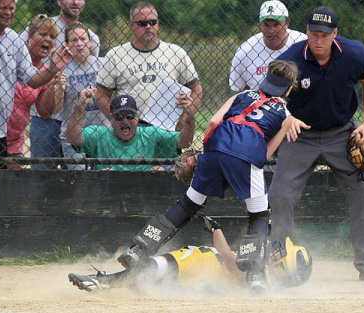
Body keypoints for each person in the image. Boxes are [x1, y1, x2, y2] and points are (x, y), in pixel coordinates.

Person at [115, 60, 299, 292]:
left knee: (189, 204)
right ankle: (255, 276)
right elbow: (265, 153)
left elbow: (213, 121)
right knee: (259, 214)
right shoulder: (285, 113)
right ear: (290, 89)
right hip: (248, 152)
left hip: (215, 144)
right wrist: (281, 130)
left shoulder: (243, 95)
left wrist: (206, 153)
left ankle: (138, 249)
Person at [268, 6, 364, 283]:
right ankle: (283, 264)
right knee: (280, 196)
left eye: (325, 34)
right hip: (299, 136)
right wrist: (288, 119)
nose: (318, 40)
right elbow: (270, 99)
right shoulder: (290, 60)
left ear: (335, 34)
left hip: (341, 133)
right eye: (314, 33)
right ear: (307, 32)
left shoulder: (354, 54)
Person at [68, 214, 313, 293]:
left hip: (202, 262)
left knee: (155, 266)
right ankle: (108, 282)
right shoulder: (268, 284)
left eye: (280, 255)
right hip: (204, 273)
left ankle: (104, 281)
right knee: (152, 276)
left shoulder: (260, 275)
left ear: (283, 266)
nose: (275, 253)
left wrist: (217, 230)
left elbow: (231, 261)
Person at [0, 0, 72, 163]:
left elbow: (32, 80)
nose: (8, 12)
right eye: (3, 8)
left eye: (11, 8)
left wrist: (52, 70)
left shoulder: (14, 40)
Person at [20, 0, 100, 170]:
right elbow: (20, 58)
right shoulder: (42, 27)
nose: (75, 2)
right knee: (42, 174)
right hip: (46, 117)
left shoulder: (92, 38)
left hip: (76, 119)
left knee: (75, 177)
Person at [96, 2, 202, 130]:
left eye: (152, 22)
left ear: (158, 23)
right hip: (132, 127)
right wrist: (116, 121)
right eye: (142, 23)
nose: (148, 26)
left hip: (166, 127)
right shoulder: (116, 55)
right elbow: (101, 94)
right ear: (132, 25)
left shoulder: (175, 52)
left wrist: (183, 120)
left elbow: (196, 89)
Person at [65, 90, 196, 171]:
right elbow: (73, 138)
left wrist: (190, 117)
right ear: (111, 120)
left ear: (137, 118)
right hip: (109, 191)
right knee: (107, 171)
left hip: (143, 190)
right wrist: (81, 106)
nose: (125, 121)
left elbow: (183, 143)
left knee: (159, 169)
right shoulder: (100, 134)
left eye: (129, 116)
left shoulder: (150, 134)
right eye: (119, 117)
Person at [6, 15, 66, 169]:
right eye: (43, 34)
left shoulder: (46, 72)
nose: (48, 39)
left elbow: (44, 112)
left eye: (52, 37)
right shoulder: (12, 57)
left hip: (15, 139)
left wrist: (54, 85)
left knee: (12, 184)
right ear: (29, 35)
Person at [58, 23, 110, 170]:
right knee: (80, 183)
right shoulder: (63, 69)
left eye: (83, 39)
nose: (79, 44)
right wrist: (59, 89)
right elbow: (56, 107)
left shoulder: (104, 64)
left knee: (105, 179)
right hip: (74, 134)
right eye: (74, 40)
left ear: (91, 43)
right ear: (67, 44)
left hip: (103, 133)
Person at [229, 0, 307, 93]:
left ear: (287, 24)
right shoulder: (245, 51)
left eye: (276, 24)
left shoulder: (303, 43)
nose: (271, 31)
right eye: (266, 25)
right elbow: (240, 90)